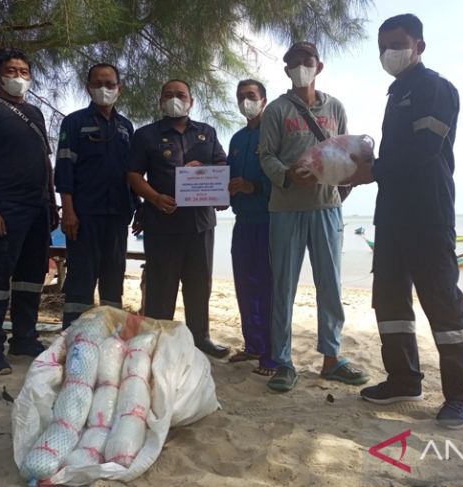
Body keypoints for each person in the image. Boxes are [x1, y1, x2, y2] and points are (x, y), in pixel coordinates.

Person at [352, 14, 463, 429]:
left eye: (398, 43)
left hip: (428, 213)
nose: (390, 52)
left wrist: (370, 170)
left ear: (419, 45)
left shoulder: (434, 88)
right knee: (389, 301)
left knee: (442, 302)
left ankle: (459, 395)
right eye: (383, 46)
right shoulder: (396, 92)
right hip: (391, 215)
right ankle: (404, 379)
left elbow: (425, 150)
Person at [259, 42, 367, 392]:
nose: (301, 67)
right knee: (283, 286)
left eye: (308, 62)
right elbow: (266, 156)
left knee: (331, 286)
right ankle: (283, 361)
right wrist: (288, 175)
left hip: (326, 208)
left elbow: (345, 155)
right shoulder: (276, 110)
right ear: (286, 69)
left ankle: (332, 358)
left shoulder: (335, 107)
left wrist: (343, 188)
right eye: (294, 63)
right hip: (286, 208)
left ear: (318, 67)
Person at [0, 48, 57, 374]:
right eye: (11, 71)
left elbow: (45, 160)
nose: (18, 77)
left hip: (38, 208)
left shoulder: (35, 113)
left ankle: (24, 339)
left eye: (24, 71)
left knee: (31, 279)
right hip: (4, 207)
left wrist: (51, 199)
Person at [127, 79, 230, 359]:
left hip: (200, 224)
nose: (175, 99)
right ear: (160, 101)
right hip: (162, 224)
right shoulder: (145, 135)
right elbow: (134, 175)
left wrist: (208, 174)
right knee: (161, 286)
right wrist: (154, 197)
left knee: (199, 285)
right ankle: (158, 341)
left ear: (191, 101)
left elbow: (222, 166)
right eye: (169, 95)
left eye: (181, 95)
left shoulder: (206, 133)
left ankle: (201, 338)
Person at [54, 63, 138, 328]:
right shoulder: (74, 122)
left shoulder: (126, 127)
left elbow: (132, 173)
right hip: (84, 215)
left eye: (110, 84)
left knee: (113, 277)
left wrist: (138, 208)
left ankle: (111, 338)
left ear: (119, 88)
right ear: (88, 87)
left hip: (118, 215)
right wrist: (67, 210)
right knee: (81, 277)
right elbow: (65, 169)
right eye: (98, 83)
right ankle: (73, 338)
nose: (104, 89)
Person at [227, 79, 279, 376]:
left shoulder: (273, 135)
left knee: (268, 288)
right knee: (244, 285)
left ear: (263, 100)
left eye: (251, 96)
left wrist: (252, 186)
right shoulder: (236, 139)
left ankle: (271, 355)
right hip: (241, 221)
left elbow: (280, 179)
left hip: (269, 221)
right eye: (241, 97)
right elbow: (227, 179)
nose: (246, 101)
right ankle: (253, 345)